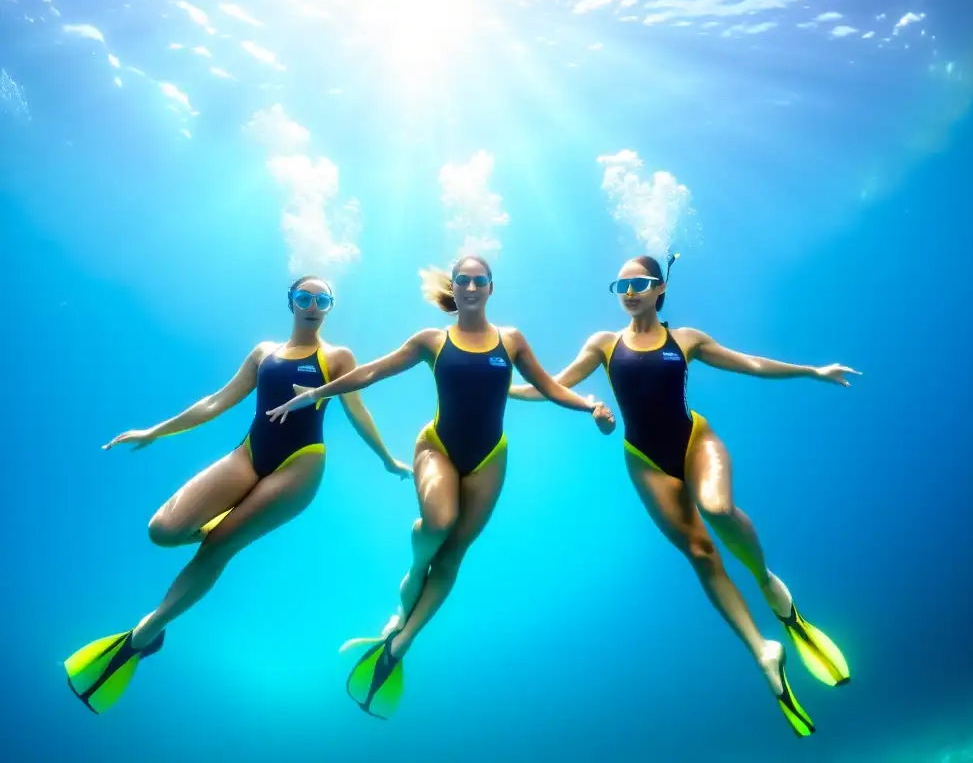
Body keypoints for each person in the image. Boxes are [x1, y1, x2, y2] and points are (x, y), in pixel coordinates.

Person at [508, 252, 857, 737]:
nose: (629, 293)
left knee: (716, 508)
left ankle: (767, 583)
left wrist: (811, 371)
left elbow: (749, 363)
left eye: (640, 284)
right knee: (700, 553)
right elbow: (552, 385)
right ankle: (762, 650)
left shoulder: (685, 339)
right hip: (644, 461)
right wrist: (500, 390)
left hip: (696, 442)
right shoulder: (603, 345)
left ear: (660, 290)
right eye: (621, 286)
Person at [266, 255, 615, 719]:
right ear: (454, 288)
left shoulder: (510, 341)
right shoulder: (432, 340)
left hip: (490, 458)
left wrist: (590, 409)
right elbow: (372, 371)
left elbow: (550, 387)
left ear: (491, 288)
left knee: (453, 554)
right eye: (463, 280)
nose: (471, 286)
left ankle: (401, 641)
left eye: (479, 280)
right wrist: (314, 393)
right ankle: (413, 568)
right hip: (437, 448)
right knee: (438, 523)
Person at [63, 276, 411, 714]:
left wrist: (386, 459)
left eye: (322, 299)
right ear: (291, 302)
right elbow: (216, 401)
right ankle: (218, 531)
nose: (313, 305)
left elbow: (357, 410)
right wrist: (155, 432)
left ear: (329, 307)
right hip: (248, 454)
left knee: (218, 546)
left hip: (299, 465)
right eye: (305, 297)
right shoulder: (264, 353)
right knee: (164, 530)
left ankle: (145, 635)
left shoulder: (337, 358)